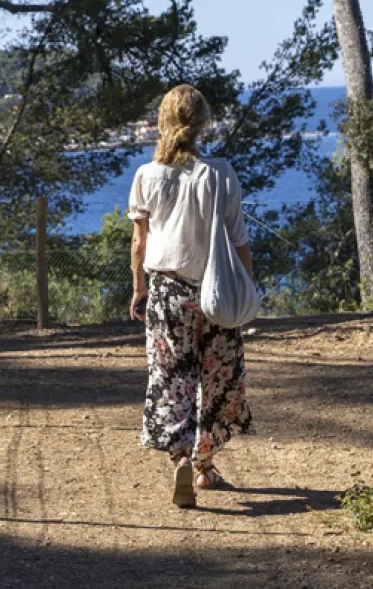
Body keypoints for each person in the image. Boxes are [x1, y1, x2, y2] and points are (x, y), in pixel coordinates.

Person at [127, 84, 254, 509]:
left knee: (171, 376)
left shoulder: (147, 175)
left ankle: (180, 455)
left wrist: (139, 288)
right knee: (216, 376)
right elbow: (239, 242)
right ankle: (204, 465)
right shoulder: (220, 173)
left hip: (165, 292)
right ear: (202, 124)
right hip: (215, 291)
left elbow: (139, 245)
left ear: (164, 121)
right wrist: (246, 291)